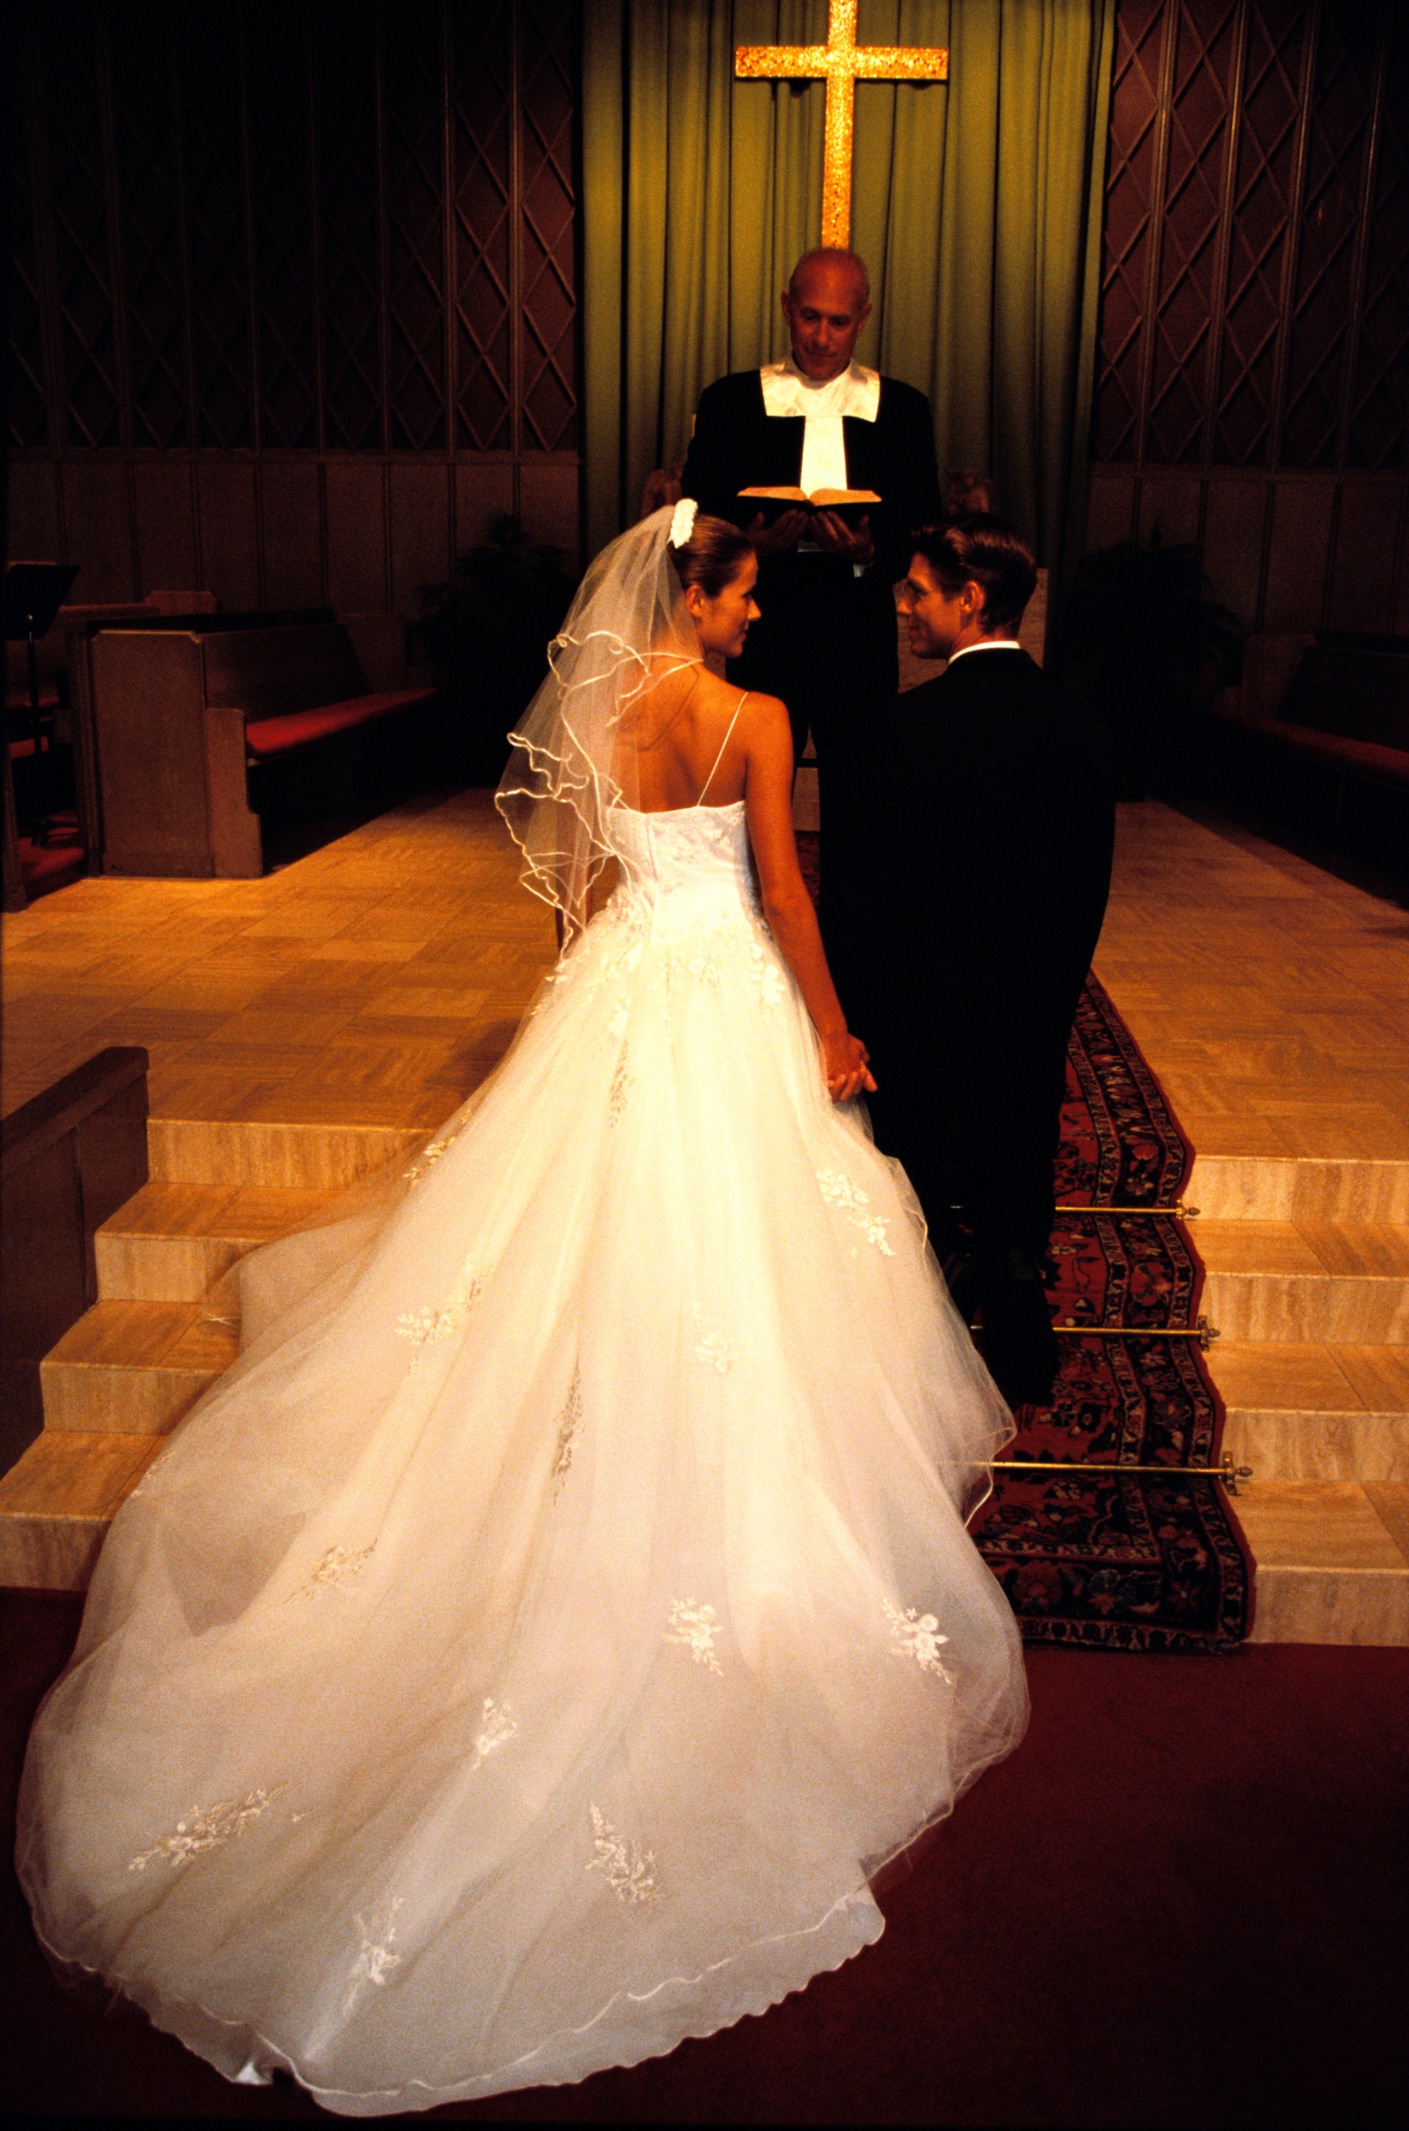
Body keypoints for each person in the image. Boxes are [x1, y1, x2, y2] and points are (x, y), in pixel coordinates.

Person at [19, 503, 1028, 2115]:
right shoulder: (750, 718)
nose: (757, 623)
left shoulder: (605, 706)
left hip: (621, 995)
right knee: (747, 1271)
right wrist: (832, 1034)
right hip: (720, 1007)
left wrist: (588, 1004)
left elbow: (567, 894)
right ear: (701, 587)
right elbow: (782, 889)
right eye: (747, 594)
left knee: (563, 1266)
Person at [833, 515, 1115, 1410]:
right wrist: (1055, 989)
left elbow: (862, 888)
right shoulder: (1075, 723)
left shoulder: (900, 725)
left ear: (970, 600)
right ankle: (1017, 1295)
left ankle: (926, 1314)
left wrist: (852, 1009)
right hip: (1028, 996)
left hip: (916, 1004)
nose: (902, 605)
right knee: (1017, 1139)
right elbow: (1087, 882)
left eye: (916, 591)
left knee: (911, 1157)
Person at [680, 250, 941, 911]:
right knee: (751, 800)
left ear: (865, 319)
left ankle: (848, 952)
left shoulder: (902, 408)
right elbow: (700, 512)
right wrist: (754, 547)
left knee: (860, 799)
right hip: (762, 627)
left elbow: (922, 526)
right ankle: (752, 938)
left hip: (855, 628)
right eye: (808, 318)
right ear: (784, 306)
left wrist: (865, 550)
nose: (821, 338)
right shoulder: (731, 400)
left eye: (838, 322)